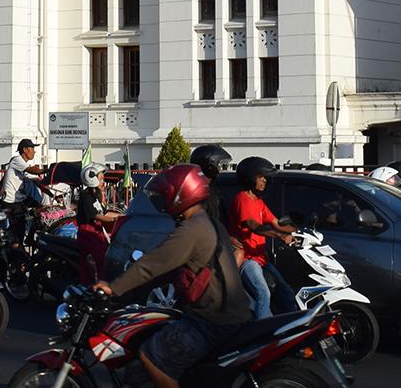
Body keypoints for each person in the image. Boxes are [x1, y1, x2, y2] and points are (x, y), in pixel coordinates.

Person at [93, 165, 253, 388]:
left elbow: (153, 264)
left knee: (152, 356)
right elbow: (170, 268)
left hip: (212, 320)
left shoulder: (191, 230)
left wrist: (113, 287)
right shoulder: (209, 223)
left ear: (181, 194)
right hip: (230, 313)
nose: (162, 202)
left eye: (165, 196)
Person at [230, 156, 294, 319]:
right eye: (261, 177)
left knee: (284, 290)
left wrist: (297, 231)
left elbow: (276, 223)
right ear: (251, 178)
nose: (265, 181)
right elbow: (253, 226)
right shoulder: (242, 199)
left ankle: (293, 325)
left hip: (260, 258)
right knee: (263, 292)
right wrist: (280, 235)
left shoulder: (258, 202)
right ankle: (263, 332)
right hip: (248, 258)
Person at [72, 164, 123, 285]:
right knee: (100, 259)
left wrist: (123, 216)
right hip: (87, 232)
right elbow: (96, 215)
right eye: (101, 179)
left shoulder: (96, 195)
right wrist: (112, 221)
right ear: (92, 179)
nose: (103, 181)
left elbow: (105, 213)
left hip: (97, 231)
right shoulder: (87, 197)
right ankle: (96, 287)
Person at [1, 139, 45, 205]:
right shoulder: (17, 160)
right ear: (24, 149)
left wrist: (53, 196)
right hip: (10, 203)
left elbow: (37, 181)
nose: (34, 151)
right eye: (32, 149)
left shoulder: (23, 166)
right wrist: (48, 170)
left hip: (19, 202)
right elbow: (33, 170)